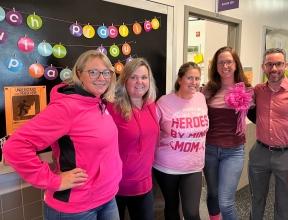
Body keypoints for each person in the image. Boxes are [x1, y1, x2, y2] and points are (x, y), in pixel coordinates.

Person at [3, 50, 122, 220]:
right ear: (79, 74)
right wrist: (54, 181)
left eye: (106, 72)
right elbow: (15, 147)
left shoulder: (98, 102)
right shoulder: (66, 108)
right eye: (93, 72)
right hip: (77, 208)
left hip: (107, 198)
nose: (101, 78)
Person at [248, 48, 288, 220]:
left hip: (287, 155)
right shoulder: (258, 91)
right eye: (270, 64)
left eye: (278, 64)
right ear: (263, 67)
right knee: (256, 200)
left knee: (284, 205)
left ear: (285, 65)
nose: (274, 68)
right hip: (260, 153)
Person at [153, 62, 209, 220]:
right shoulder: (164, 102)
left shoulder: (201, 98)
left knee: (191, 212)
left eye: (197, 78)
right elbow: (151, 130)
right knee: (171, 208)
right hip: (167, 167)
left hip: (194, 167)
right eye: (190, 78)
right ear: (180, 79)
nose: (195, 82)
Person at [202, 46, 252, 220]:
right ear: (216, 66)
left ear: (236, 64)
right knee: (212, 195)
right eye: (221, 62)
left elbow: (259, 115)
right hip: (209, 150)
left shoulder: (247, 89)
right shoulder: (208, 90)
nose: (225, 66)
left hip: (233, 151)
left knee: (225, 201)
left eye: (229, 61)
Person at [107, 58, 159, 220]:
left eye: (144, 77)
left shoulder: (151, 105)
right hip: (116, 186)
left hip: (144, 184)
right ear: (125, 80)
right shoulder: (112, 107)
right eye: (134, 77)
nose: (139, 82)